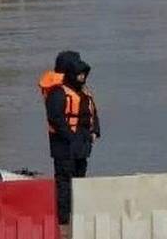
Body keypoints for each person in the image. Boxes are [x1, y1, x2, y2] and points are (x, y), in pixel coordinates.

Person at [38, 51, 101, 225]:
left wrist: (95, 131)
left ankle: (78, 214)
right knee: (65, 182)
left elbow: (93, 113)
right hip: (63, 145)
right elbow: (55, 118)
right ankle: (64, 220)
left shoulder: (83, 91)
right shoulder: (57, 92)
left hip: (82, 144)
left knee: (80, 179)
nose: (82, 76)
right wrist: (71, 137)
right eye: (79, 72)